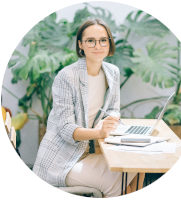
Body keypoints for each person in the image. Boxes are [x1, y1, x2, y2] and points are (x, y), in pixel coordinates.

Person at [33, 18, 136, 197]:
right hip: (62, 159)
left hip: (88, 152)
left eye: (103, 40)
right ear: (81, 44)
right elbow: (66, 129)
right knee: (119, 180)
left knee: (133, 169)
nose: (98, 46)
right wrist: (99, 133)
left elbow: (113, 108)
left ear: (109, 43)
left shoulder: (112, 72)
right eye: (90, 41)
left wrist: (108, 121)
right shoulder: (66, 76)